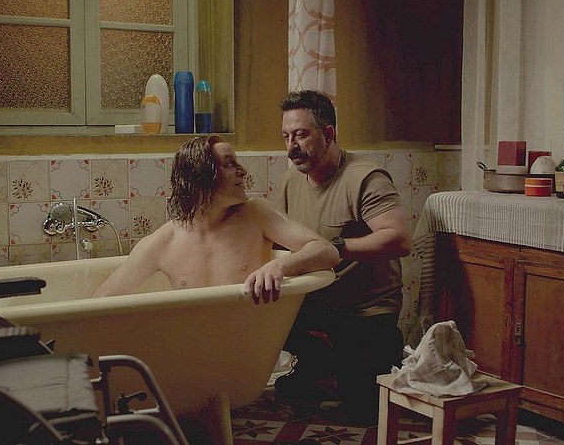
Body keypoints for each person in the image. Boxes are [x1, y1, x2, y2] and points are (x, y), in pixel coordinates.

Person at [274, 90, 412, 424]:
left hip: (365, 309)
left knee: (363, 413)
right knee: (256, 309)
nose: (291, 146)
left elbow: (399, 239)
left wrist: (336, 248)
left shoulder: (365, 178)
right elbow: (280, 238)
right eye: (286, 136)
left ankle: (373, 352)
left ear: (328, 133)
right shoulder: (291, 181)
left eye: (301, 135)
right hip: (316, 301)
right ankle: (319, 358)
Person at [93, 135, 339, 303]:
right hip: (191, 351)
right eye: (229, 164)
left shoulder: (256, 215)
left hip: (250, 348)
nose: (243, 170)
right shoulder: (163, 242)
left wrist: (279, 266)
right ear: (202, 177)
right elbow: (103, 299)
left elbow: (327, 251)